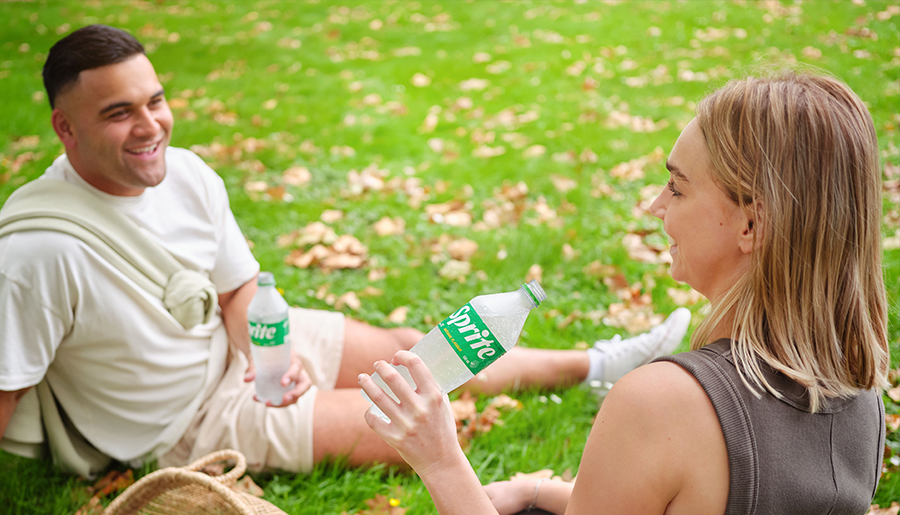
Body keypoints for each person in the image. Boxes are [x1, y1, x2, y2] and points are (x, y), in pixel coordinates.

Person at [0, 24, 691, 476]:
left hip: (241, 354)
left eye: (154, 101)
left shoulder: (187, 173)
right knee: (415, 422)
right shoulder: (36, 254)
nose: (150, 126)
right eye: (118, 113)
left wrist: (268, 357)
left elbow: (237, 290)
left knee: (414, 351)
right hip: (183, 422)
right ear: (65, 128)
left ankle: (601, 364)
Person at [360, 70, 890, 514]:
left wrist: (440, 461)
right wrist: (538, 491)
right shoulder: (860, 393)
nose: (656, 206)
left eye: (677, 187)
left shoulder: (665, 403)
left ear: (751, 225)